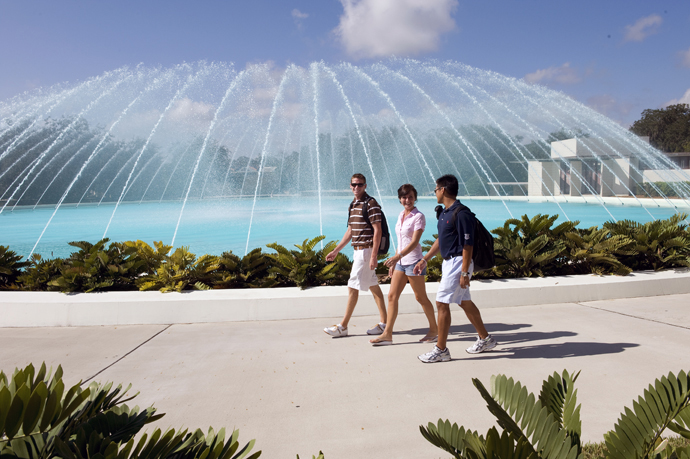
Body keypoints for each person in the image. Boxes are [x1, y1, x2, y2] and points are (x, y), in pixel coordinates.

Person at [414, 174, 497, 363]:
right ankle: (486, 339)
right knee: (464, 301)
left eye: (436, 189)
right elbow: (441, 239)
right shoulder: (445, 212)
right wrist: (425, 258)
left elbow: (468, 245)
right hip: (449, 262)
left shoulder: (462, 213)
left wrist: (464, 272)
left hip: (459, 262)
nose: (434, 192)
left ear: (443, 189)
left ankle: (441, 349)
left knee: (441, 303)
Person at [370, 184, 438, 346]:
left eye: (410, 197)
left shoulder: (418, 217)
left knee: (420, 298)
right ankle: (387, 334)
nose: (407, 200)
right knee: (392, 296)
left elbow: (414, 242)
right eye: (404, 197)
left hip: (414, 263)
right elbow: (401, 241)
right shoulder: (401, 215)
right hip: (401, 263)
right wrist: (395, 260)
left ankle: (435, 330)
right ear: (400, 199)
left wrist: (397, 257)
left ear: (415, 198)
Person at [323, 173, 387, 338]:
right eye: (354, 185)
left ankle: (343, 327)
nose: (356, 187)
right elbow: (351, 230)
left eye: (360, 185)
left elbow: (377, 230)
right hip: (358, 250)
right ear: (350, 186)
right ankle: (385, 324)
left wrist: (374, 256)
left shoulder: (371, 203)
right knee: (374, 287)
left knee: (352, 287)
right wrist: (336, 250)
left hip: (366, 250)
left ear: (365, 186)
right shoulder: (353, 204)